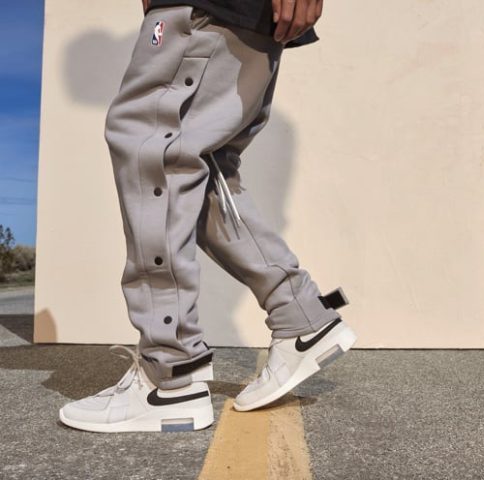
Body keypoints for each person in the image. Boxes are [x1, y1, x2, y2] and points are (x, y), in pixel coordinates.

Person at [58, 0, 357, 433]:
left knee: (153, 152)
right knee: (198, 169)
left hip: (205, 10)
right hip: (229, 16)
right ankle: (300, 315)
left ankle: (169, 377)